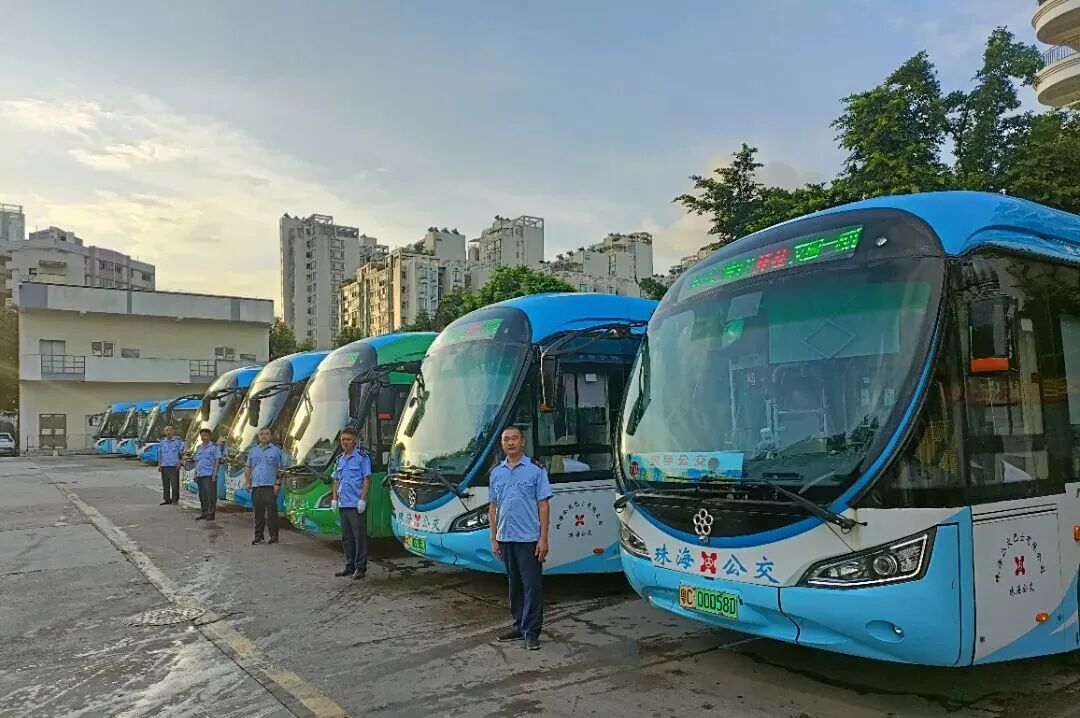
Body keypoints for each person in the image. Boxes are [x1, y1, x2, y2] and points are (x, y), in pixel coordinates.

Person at [489, 426, 552, 651]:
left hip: (529, 539)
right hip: (506, 538)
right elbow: (493, 507)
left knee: (532, 586)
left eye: (514, 438)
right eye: (506, 439)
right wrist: (494, 539)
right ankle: (519, 625)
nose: (510, 442)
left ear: (522, 441)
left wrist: (543, 539)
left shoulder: (535, 470)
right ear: (502, 444)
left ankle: (532, 632)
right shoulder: (496, 473)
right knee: (514, 585)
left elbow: (543, 505)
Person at [333, 427, 372, 579]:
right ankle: (349, 566)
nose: (345, 442)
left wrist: (362, 499)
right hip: (343, 504)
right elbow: (336, 480)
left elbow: (367, 479)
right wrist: (334, 498)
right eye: (343, 439)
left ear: (355, 441)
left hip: (356, 505)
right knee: (346, 538)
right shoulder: (339, 459)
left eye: (348, 439)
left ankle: (360, 568)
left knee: (359, 537)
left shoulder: (362, 458)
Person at [244, 427, 287, 545]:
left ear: (270, 436)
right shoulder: (253, 451)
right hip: (256, 486)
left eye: (267, 434)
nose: (264, 436)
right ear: (258, 436)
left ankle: (274, 537)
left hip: (270, 486)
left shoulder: (276, 451)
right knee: (258, 513)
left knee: (272, 513)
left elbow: (282, 469)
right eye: (262, 434)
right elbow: (248, 467)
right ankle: (259, 536)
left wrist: (277, 483)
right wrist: (247, 482)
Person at [193, 426, 222, 521]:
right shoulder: (199, 448)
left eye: (205, 435)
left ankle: (211, 513)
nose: (204, 437)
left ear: (209, 436)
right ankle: (204, 512)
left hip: (209, 475)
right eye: (202, 436)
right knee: (202, 495)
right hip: (200, 474)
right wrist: (195, 474)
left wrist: (215, 474)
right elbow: (197, 462)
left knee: (211, 495)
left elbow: (217, 461)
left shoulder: (215, 447)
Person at [157, 424, 185, 506]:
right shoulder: (162, 442)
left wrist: (179, 462)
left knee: (174, 484)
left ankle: (175, 500)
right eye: (167, 430)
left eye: (170, 430)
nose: (168, 432)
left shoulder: (178, 441)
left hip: (174, 465)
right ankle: (167, 499)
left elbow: (181, 453)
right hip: (165, 465)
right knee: (165, 483)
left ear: (173, 431)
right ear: (164, 432)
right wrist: (159, 464)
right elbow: (160, 454)